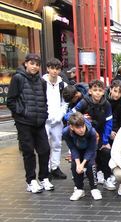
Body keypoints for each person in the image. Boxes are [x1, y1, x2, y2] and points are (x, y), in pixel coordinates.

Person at [7, 53, 54, 193]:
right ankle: (31, 180)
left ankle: (44, 177)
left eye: (37, 64)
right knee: (28, 152)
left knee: (45, 150)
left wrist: (44, 114)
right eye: (32, 63)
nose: (35, 67)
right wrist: (22, 112)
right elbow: (11, 100)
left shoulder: (42, 82)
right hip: (24, 122)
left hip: (39, 122)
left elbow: (44, 101)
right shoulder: (18, 78)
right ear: (26, 63)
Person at [64, 79, 115, 191]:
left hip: (100, 135)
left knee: (106, 153)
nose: (97, 92)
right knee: (81, 157)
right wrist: (81, 117)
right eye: (95, 90)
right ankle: (79, 184)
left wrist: (105, 140)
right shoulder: (83, 102)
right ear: (90, 91)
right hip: (84, 136)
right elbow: (67, 116)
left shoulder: (106, 104)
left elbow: (108, 122)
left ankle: (107, 178)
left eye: (100, 90)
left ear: (103, 92)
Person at [63, 112, 102, 201]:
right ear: (72, 127)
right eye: (78, 127)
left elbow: (91, 150)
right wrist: (78, 164)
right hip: (77, 149)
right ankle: (79, 189)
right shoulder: (66, 132)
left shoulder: (91, 132)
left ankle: (94, 188)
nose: (81, 130)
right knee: (74, 166)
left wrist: (83, 163)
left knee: (90, 165)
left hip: (89, 149)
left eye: (82, 126)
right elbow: (72, 148)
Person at [43, 58, 68, 179]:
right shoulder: (41, 82)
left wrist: (60, 116)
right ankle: (45, 169)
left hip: (57, 120)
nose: (54, 71)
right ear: (47, 68)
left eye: (57, 68)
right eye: (52, 68)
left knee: (57, 144)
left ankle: (55, 167)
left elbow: (65, 103)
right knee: (45, 145)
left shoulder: (63, 84)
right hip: (44, 120)